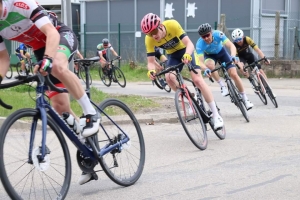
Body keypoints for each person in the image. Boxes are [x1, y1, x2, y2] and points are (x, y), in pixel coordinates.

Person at [0, 1, 100, 185]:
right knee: (60, 108)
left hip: (59, 35)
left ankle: (91, 113)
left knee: (57, 66)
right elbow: (3, 58)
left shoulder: (20, 3)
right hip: (40, 50)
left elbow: (51, 33)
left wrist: (48, 59)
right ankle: (88, 148)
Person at [140, 13, 223, 130]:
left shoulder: (172, 25)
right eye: (149, 34)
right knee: (169, 78)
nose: (152, 36)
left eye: (153, 32)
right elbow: (150, 61)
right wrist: (151, 71)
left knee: (198, 80)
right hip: (173, 56)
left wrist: (188, 55)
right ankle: (190, 100)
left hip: (186, 50)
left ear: (160, 26)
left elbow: (189, 44)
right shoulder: (149, 39)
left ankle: (216, 115)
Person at [195, 23, 254, 110]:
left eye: (207, 35)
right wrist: (205, 69)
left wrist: (233, 55)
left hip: (222, 53)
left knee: (234, 74)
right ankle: (222, 85)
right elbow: (200, 61)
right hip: (210, 56)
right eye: (203, 37)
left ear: (211, 32)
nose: (206, 38)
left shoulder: (218, 34)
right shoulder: (199, 44)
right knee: (210, 66)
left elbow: (231, 45)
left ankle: (245, 99)